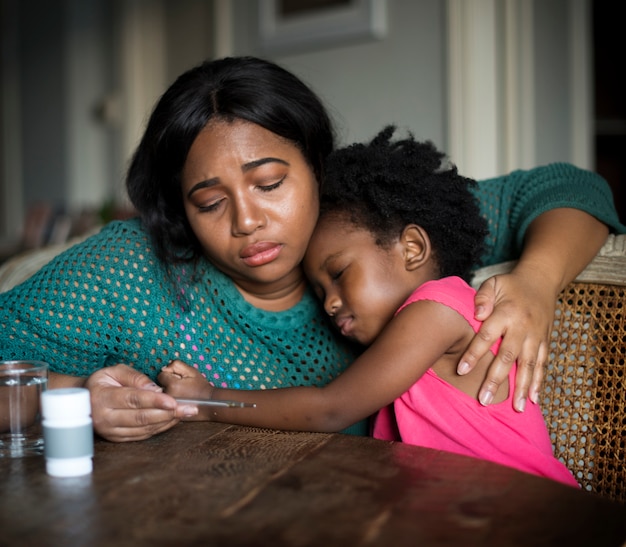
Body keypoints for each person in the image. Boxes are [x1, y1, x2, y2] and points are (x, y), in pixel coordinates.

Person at [0, 56, 622, 442]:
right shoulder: (130, 270)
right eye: (210, 202)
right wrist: (76, 397)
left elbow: (572, 188)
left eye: (270, 183)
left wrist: (537, 283)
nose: (248, 220)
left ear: (317, 169)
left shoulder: (377, 224)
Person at [158, 127, 579, 486]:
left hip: (530, 513)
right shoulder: (411, 335)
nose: (330, 303)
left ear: (412, 248)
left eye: (339, 274)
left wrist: (208, 400)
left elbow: (329, 408)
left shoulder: (438, 308)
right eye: (321, 292)